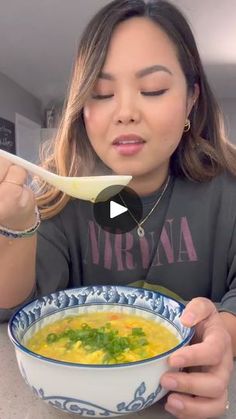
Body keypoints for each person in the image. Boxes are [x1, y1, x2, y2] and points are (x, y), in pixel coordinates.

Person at [0, 0, 235, 417]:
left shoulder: (228, 192)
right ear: (82, 109)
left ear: (191, 99)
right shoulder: (57, 199)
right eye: (102, 93)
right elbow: (14, 310)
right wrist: (16, 227)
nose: (125, 112)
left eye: (153, 90)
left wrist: (224, 336)